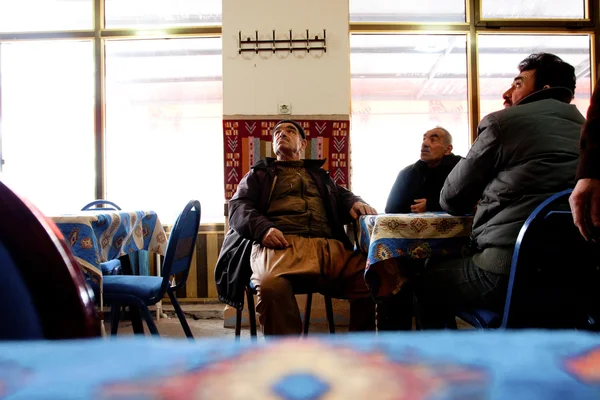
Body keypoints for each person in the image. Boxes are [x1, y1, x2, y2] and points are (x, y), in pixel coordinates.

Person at [415, 53, 585, 328]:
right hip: (578, 275)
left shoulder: (501, 124)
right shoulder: (588, 131)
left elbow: (452, 199)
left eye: (518, 84)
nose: (507, 92)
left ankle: (443, 367)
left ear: (544, 90)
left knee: (425, 279)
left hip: (507, 271)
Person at [215, 119, 378, 337]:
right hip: (280, 245)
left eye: (289, 131)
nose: (281, 134)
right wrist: (263, 229)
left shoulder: (320, 176)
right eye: (277, 133)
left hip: (328, 247)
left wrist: (354, 202)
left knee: (373, 276)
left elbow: (343, 195)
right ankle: (288, 358)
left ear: (302, 144)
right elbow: (238, 207)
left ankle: (361, 350)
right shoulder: (259, 174)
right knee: (271, 286)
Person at [385, 127, 462, 214]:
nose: (424, 143)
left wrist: (431, 205)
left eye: (433, 140)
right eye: (424, 139)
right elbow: (391, 209)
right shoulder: (408, 173)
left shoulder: (462, 168)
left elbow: (470, 201)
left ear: (448, 149)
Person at [569, 81, 600, 241]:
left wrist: (591, 170)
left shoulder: (497, 124)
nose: (507, 93)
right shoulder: (578, 120)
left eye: (518, 84)